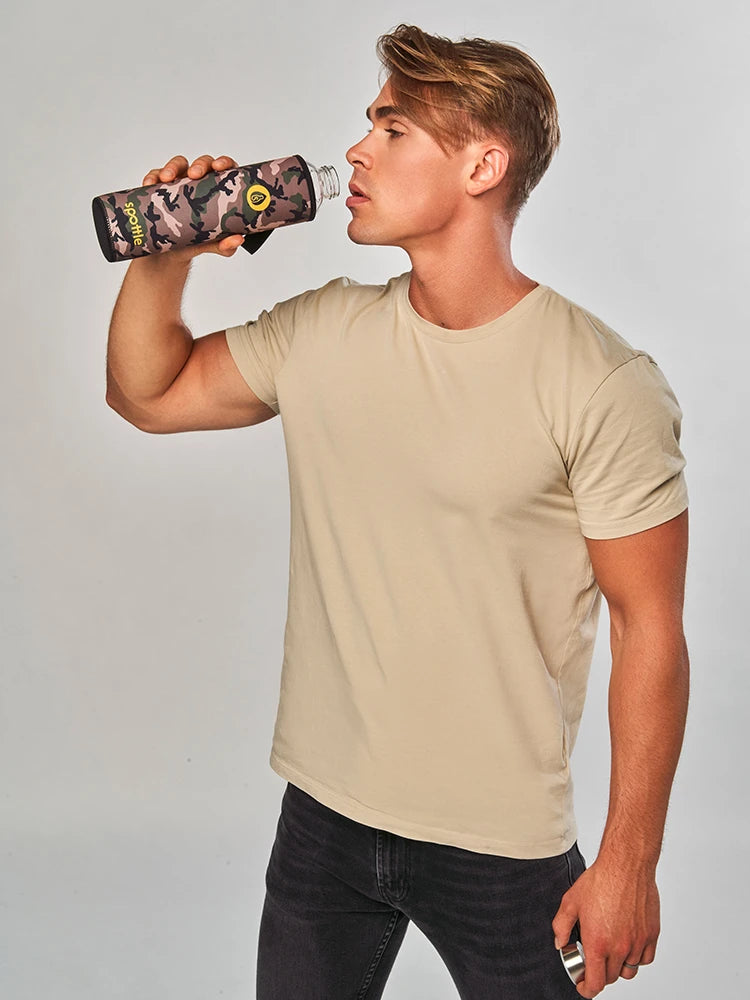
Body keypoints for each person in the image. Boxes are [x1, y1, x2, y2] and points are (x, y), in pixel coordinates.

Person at [105, 23, 690, 1000]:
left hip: (501, 843)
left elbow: (650, 627)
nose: (357, 150)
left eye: (393, 128)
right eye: (368, 123)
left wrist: (630, 862)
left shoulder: (602, 382)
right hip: (323, 819)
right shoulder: (325, 329)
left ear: (482, 166)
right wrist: (168, 252)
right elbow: (147, 393)